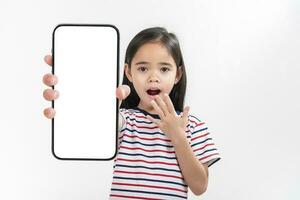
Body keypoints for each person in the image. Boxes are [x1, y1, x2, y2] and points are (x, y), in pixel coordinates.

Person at [43, 27, 221, 199]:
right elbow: (90, 127)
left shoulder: (193, 125)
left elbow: (199, 187)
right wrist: (71, 94)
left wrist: (178, 137)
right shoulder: (124, 120)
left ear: (178, 74)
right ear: (129, 72)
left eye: (164, 69)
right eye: (143, 69)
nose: (153, 77)